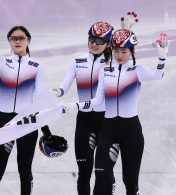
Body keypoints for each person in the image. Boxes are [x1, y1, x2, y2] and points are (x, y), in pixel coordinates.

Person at [61, 23, 172, 194]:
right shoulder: (105, 72)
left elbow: (158, 75)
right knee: (101, 179)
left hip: (131, 131)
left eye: (124, 51)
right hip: (109, 129)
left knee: (130, 183)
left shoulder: (138, 71)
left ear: (132, 52)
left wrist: (162, 56)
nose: (119, 55)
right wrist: (74, 106)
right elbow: (97, 101)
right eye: (116, 50)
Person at [0, 17, 54, 195]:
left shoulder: (37, 67)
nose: (17, 41)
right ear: (9, 41)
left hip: (27, 122)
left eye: (21, 38)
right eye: (13, 38)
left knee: (24, 169)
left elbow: (39, 98)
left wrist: (44, 127)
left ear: (28, 41)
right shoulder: (1, 63)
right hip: (4, 123)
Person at [51, 21, 115, 195]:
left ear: (109, 43)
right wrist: (57, 91)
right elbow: (65, 87)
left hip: (106, 121)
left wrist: (126, 33)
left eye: (100, 41)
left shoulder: (113, 63)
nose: (94, 44)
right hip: (85, 121)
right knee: (84, 170)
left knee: (104, 170)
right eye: (91, 39)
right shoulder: (77, 61)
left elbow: (128, 60)